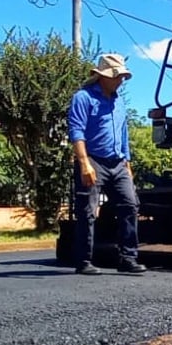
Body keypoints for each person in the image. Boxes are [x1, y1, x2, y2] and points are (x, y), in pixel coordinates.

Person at [68, 53, 147, 276]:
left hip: (118, 161)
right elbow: (76, 131)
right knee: (87, 210)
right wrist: (84, 163)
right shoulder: (83, 98)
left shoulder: (118, 101)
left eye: (122, 76)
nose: (121, 80)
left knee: (130, 204)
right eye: (117, 76)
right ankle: (83, 261)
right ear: (102, 76)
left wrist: (127, 162)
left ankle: (127, 258)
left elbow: (123, 133)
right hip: (93, 159)